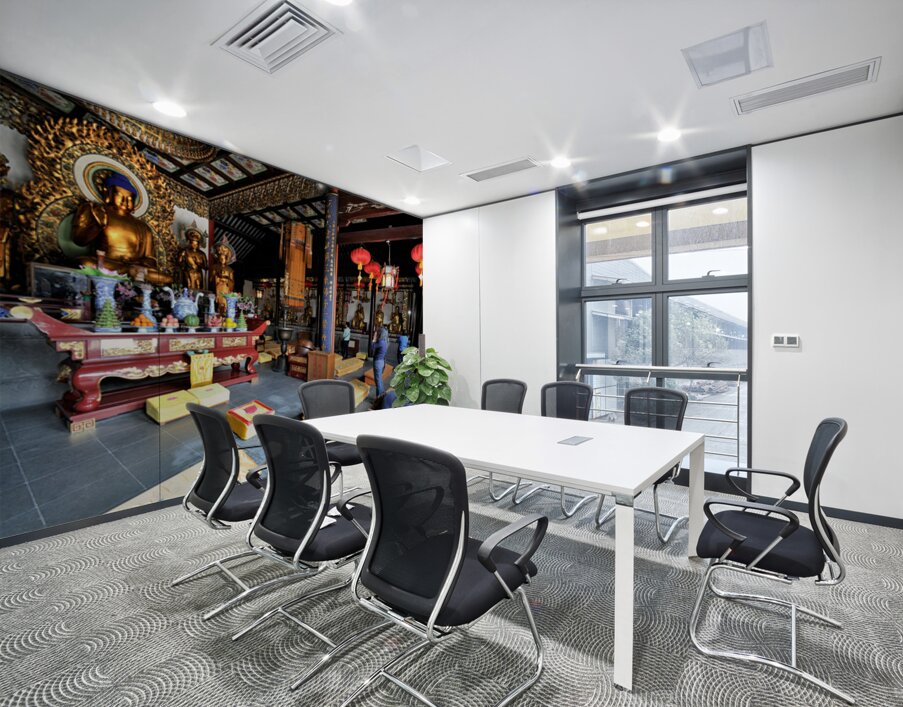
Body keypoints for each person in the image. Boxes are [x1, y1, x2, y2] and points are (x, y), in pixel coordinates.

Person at [71, 172, 169, 284]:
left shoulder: (143, 227)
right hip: (107, 263)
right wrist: (97, 224)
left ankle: (130, 271)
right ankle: (129, 272)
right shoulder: (98, 211)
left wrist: (139, 264)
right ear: (108, 193)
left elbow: (151, 259)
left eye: (129, 198)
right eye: (120, 195)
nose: (125, 201)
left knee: (165, 277)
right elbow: (79, 240)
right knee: (84, 263)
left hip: (134, 267)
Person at [177, 226, 206, 290]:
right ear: (189, 242)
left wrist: (199, 264)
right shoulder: (185, 251)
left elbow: (205, 267)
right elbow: (179, 263)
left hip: (198, 273)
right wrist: (181, 256)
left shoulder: (202, 254)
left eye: (196, 244)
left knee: (198, 286)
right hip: (188, 271)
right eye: (193, 243)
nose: (194, 245)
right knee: (188, 285)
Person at [210, 242, 234, 312]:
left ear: (226, 258)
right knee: (217, 302)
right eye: (220, 258)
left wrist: (226, 279)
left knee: (225, 302)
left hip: (226, 289)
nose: (222, 260)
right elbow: (211, 280)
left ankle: (224, 310)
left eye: (224, 258)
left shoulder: (230, 269)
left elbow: (232, 282)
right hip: (218, 287)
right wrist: (216, 276)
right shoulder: (214, 267)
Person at [371, 325, 389, 397]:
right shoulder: (386, 341)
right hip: (381, 362)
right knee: (379, 380)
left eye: (378, 332)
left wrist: (374, 338)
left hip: (378, 362)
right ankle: (382, 395)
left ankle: (379, 398)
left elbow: (372, 347)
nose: (377, 333)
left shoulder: (381, 342)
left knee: (378, 381)